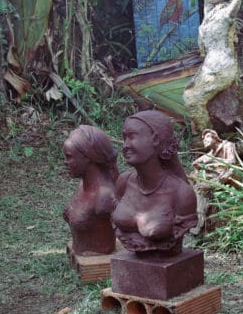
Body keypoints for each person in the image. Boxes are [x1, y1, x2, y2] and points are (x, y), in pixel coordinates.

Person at [111, 110, 198, 255]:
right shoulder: (123, 182)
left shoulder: (181, 193)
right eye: (124, 138)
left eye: (132, 136)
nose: (125, 145)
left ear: (155, 139)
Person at [62, 125, 119, 256]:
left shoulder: (104, 196)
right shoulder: (83, 184)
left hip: (99, 252)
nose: (65, 162)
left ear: (88, 157)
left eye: (69, 157)